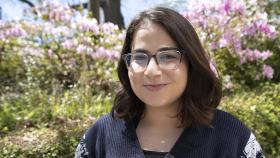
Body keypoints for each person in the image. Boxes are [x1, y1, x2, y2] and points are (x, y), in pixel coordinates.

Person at [75, 7, 265, 158]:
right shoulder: (100, 136)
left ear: (191, 63)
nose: (151, 71)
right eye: (140, 57)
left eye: (167, 56)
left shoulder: (232, 137)